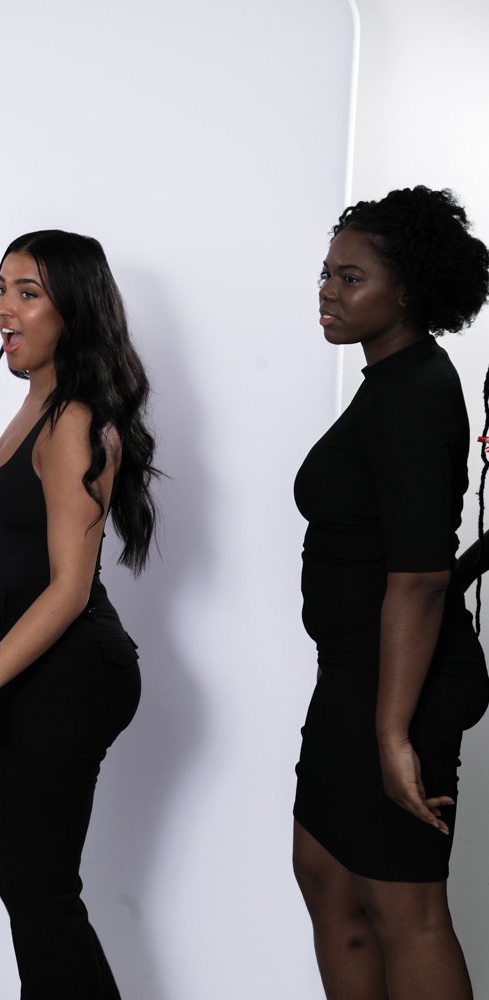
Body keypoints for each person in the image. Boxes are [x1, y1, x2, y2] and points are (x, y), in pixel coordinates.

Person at [0, 231, 158, 998]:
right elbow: (17, 567)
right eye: (0, 290)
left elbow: (69, 588)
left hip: (73, 668)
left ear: (74, 309)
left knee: (37, 888)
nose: (3, 310)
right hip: (40, 661)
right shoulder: (38, 408)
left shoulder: (75, 419)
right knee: (27, 885)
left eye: (27, 293)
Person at [292, 186, 489, 999]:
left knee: (405, 909)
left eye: (351, 278)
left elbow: (419, 581)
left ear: (406, 291)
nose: (328, 292)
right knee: (327, 876)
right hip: (355, 671)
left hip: (401, 685)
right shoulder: (391, 381)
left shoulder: (414, 395)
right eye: (326, 274)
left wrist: (391, 734)